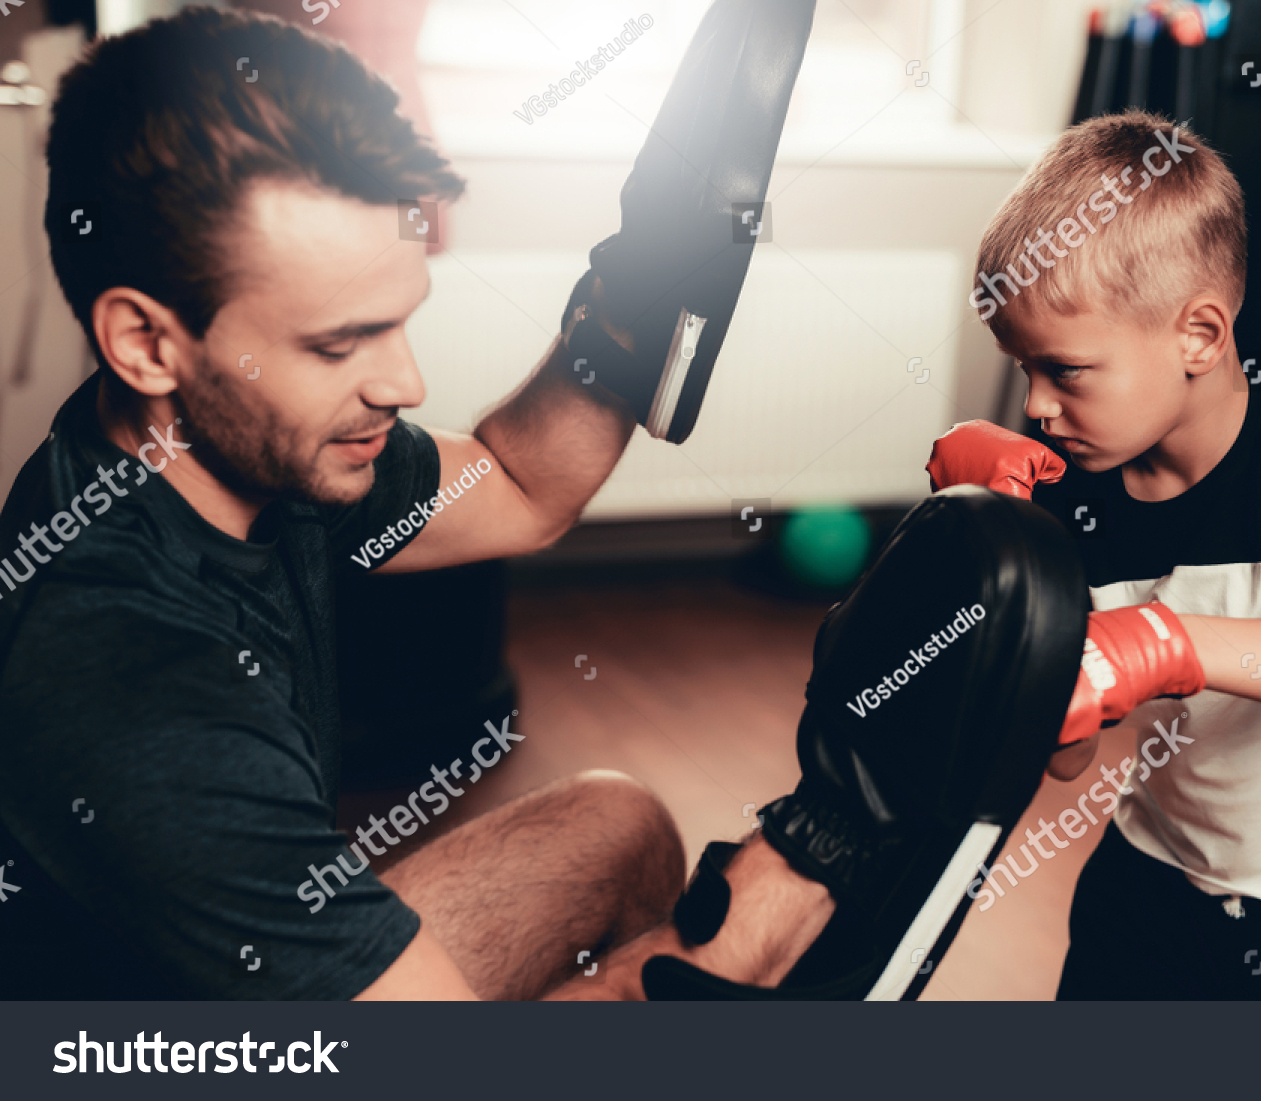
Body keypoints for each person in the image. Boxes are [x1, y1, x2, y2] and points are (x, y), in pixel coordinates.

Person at [0, 6, 1083, 1001]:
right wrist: (787, 879)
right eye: (339, 344)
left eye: (397, 319)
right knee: (734, 943)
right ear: (146, 341)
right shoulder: (135, 687)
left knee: (615, 826)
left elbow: (522, 484)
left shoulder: (236, 464)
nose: (404, 384)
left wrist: (639, 292)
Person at [927, 110, 1261, 1000]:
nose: (1037, 405)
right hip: (1152, 878)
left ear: (1200, 338)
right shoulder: (1067, 490)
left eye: (1065, 371)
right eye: (1023, 371)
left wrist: (1166, 642)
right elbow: (1064, 752)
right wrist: (995, 562)